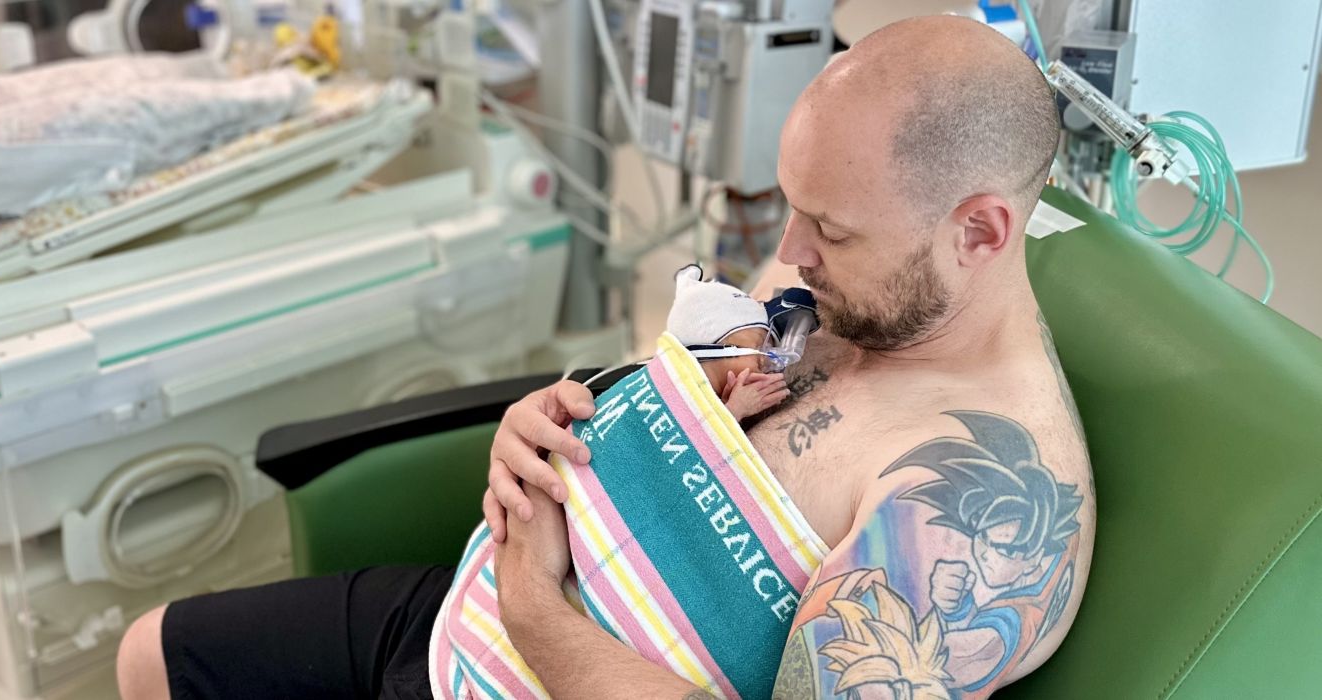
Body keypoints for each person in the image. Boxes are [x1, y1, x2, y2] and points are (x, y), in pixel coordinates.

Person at [115, 15, 1094, 700]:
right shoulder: (848, 294)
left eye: (828, 229)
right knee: (147, 658)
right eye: (792, 206)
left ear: (978, 230)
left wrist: (532, 599)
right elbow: (669, 393)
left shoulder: (969, 501)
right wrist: (554, 417)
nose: (787, 253)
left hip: (525, 623)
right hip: (460, 616)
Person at [665, 263, 791, 421]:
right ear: (714, 351)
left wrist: (725, 407)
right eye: (761, 348)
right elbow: (679, 440)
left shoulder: (709, 396)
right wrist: (735, 410)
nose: (771, 360)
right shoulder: (672, 390)